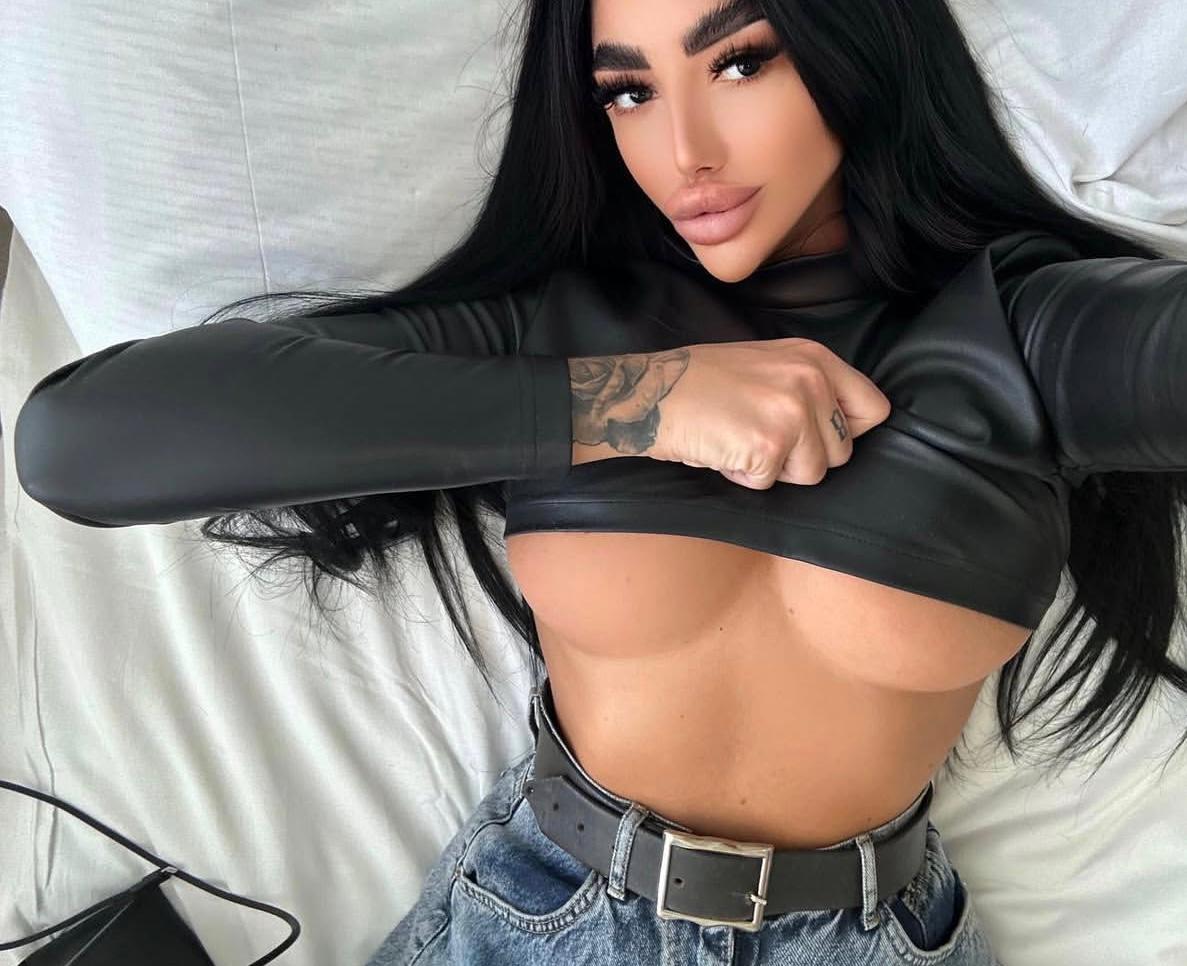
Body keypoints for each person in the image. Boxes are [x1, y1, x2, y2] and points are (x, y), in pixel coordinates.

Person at [13, 0, 1187, 962]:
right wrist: (632, 403)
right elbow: (80, 442)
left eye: (738, 62)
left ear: (853, 44)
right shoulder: (571, 329)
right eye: (628, 92)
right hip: (539, 923)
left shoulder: (1018, 334)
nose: (684, 152)